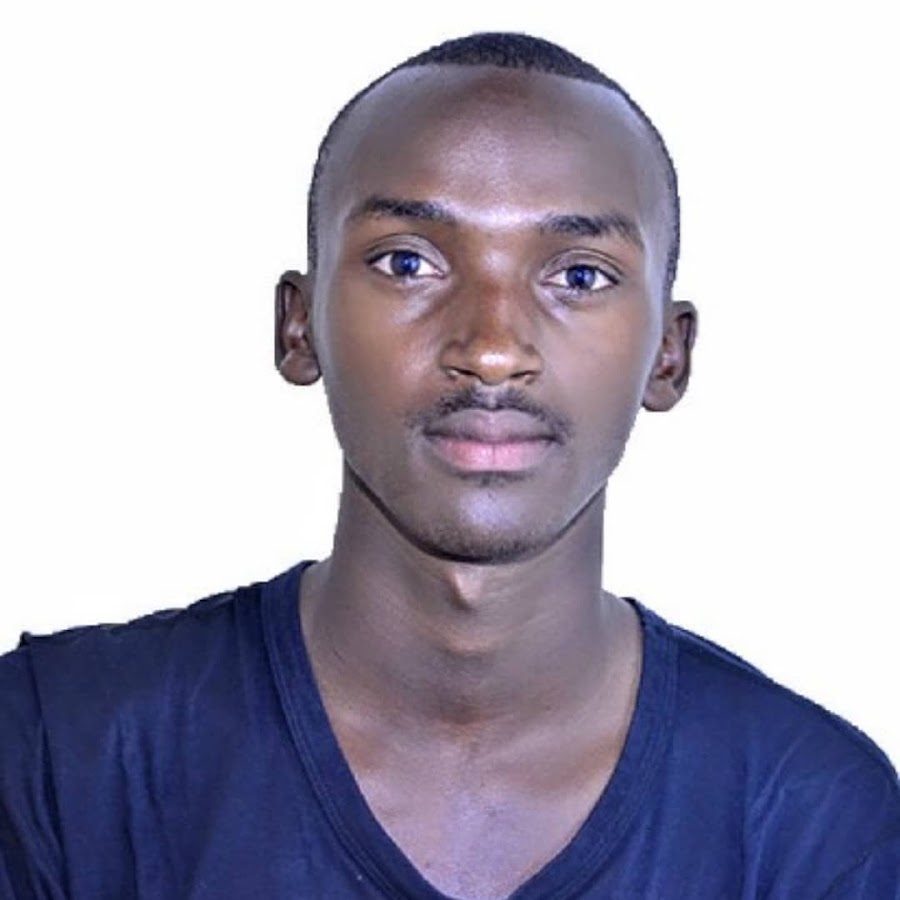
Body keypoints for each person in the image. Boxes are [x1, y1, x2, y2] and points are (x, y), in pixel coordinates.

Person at [1, 30, 897, 900]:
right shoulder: (55, 750)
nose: (493, 349)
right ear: (298, 327)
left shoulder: (811, 819)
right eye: (408, 263)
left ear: (670, 353)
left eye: (579, 276)